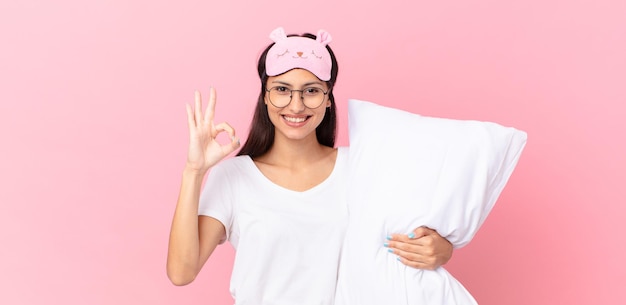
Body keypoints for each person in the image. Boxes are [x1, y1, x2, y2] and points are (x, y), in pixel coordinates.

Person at [166, 27, 453, 304]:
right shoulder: (233, 177)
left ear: (328, 99)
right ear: (265, 96)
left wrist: (440, 249)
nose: (296, 105)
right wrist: (194, 171)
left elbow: (408, 237)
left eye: (311, 91)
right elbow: (181, 272)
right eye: (282, 89)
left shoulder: (360, 167)